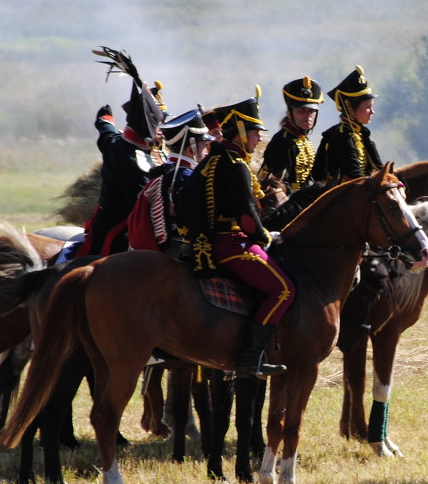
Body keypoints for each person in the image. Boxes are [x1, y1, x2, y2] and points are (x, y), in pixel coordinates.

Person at [182, 86, 293, 378]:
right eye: (255, 132)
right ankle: (250, 357)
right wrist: (266, 237)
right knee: (283, 290)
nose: (259, 139)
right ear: (240, 131)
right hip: (231, 245)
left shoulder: (211, 161)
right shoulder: (235, 166)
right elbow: (246, 218)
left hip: (213, 241)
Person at [72, 77, 167, 258]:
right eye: (157, 124)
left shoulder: (117, 141)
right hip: (120, 228)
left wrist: (105, 120)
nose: (161, 130)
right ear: (145, 125)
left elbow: (106, 135)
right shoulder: (135, 160)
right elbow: (141, 205)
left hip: (102, 220)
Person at [126, 108, 212, 256]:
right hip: (180, 248)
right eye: (204, 146)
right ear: (191, 148)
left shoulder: (166, 170)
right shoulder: (185, 176)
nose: (206, 151)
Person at [311, 65, 382, 183]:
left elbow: (378, 168)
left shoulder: (361, 133)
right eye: (368, 107)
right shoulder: (342, 136)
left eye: (372, 107)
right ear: (349, 108)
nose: (372, 112)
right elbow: (354, 176)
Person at [259, 76, 323, 192]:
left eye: (311, 111)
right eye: (301, 111)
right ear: (290, 113)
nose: (307, 116)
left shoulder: (304, 140)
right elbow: (278, 184)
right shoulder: (282, 142)